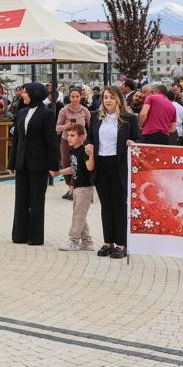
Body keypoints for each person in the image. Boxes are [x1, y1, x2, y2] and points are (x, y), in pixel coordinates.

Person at [93, 87, 140, 259]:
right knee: (106, 205)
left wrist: (133, 143)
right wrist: (89, 145)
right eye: (105, 97)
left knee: (119, 205)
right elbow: (91, 137)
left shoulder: (129, 119)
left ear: (119, 99)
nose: (108, 100)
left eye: (111, 97)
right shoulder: (96, 117)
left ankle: (121, 243)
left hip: (119, 165)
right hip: (101, 165)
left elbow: (139, 139)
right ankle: (108, 242)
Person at [10, 82, 58, 246]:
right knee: (21, 200)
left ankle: (35, 237)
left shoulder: (47, 114)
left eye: (25, 92)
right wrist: (11, 163)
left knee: (36, 201)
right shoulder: (21, 112)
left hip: (39, 164)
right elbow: (16, 140)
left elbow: (51, 141)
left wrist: (53, 166)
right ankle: (19, 235)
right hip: (22, 163)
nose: (22, 95)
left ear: (34, 94)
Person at [50, 123, 94, 251]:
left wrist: (91, 155)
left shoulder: (85, 151)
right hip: (77, 187)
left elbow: (90, 167)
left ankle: (73, 241)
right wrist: (59, 172)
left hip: (85, 188)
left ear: (82, 137)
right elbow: (74, 168)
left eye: (73, 135)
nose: (69, 137)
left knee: (78, 215)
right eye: (68, 135)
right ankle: (87, 242)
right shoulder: (73, 151)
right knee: (80, 215)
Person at [55, 87, 91, 199]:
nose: (75, 99)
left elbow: (90, 126)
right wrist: (65, 127)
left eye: (77, 96)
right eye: (72, 97)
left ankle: (72, 189)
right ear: (69, 97)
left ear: (80, 97)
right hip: (67, 141)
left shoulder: (85, 110)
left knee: (78, 165)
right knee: (66, 163)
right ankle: (70, 186)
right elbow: (56, 127)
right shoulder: (64, 110)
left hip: (81, 142)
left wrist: (87, 138)